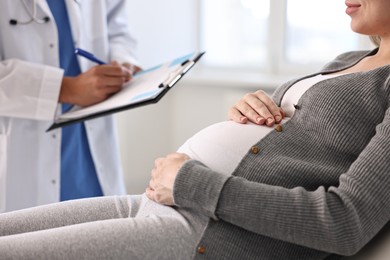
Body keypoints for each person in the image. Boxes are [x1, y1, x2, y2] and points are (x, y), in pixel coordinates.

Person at [1, 0, 390, 259]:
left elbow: (345, 221)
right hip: (158, 203)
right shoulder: (351, 59)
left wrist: (190, 182)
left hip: (200, 229)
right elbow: (291, 141)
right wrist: (252, 109)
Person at [0, 0, 141, 212]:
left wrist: (122, 61)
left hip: (88, 148)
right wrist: (65, 89)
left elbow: (116, 27)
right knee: (31, 238)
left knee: (103, 232)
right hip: (21, 150)